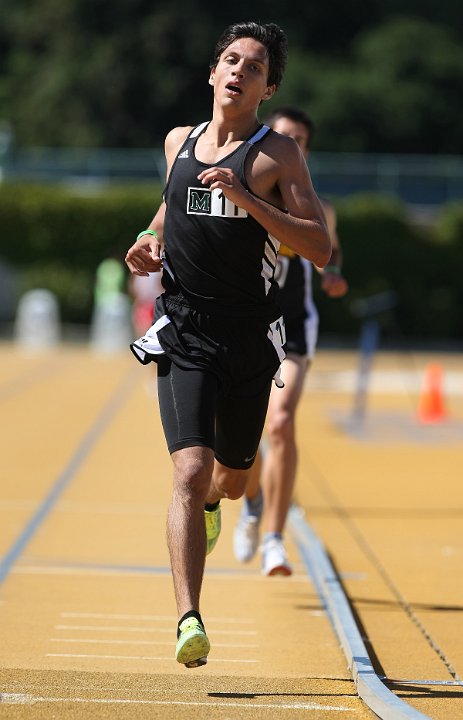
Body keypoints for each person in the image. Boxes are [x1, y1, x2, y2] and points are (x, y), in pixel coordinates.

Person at [125, 24, 331, 669]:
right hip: (185, 329)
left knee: (233, 479)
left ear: (268, 88)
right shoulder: (178, 143)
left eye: (256, 65)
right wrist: (146, 240)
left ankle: (217, 503)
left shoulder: (278, 158)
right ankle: (189, 617)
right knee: (187, 469)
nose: (240, 71)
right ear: (213, 74)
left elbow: (318, 249)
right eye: (231, 59)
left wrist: (246, 198)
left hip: (251, 337)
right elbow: (167, 212)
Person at [233, 106, 348, 576]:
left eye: (300, 140)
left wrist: (334, 273)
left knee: (281, 423)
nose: (291, 145)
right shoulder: (246, 190)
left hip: (294, 322)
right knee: (244, 432)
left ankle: (276, 540)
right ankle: (254, 501)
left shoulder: (316, 206)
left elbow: (329, 248)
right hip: (246, 321)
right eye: (284, 137)